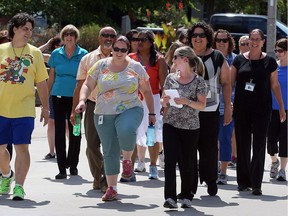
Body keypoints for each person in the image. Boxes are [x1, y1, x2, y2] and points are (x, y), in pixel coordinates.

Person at [75, 35, 156, 201]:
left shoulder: (136, 67)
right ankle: (112, 188)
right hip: (103, 111)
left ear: (128, 50)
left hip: (131, 108)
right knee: (109, 150)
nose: (119, 52)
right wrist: (82, 100)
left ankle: (127, 160)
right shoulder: (100, 65)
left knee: (126, 129)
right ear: (111, 49)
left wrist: (152, 113)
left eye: (123, 49)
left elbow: (147, 91)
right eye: (116, 49)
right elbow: (87, 84)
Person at [0, 13, 49, 200]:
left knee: (22, 148)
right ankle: (6, 175)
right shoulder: (1, 50)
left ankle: (19, 186)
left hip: (24, 110)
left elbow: (42, 83)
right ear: (15, 29)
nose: (29, 32)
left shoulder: (35, 53)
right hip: (1, 109)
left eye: (31, 29)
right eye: (25, 29)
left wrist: (45, 108)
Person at [231, 29, 286, 195]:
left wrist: (282, 108)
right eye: (251, 39)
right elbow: (229, 84)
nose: (253, 42)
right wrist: (228, 104)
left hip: (262, 109)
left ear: (263, 42)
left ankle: (256, 184)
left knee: (259, 145)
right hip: (241, 109)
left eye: (257, 39)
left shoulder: (269, 62)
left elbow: (275, 85)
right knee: (243, 144)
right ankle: (243, 182)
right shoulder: (239, 60)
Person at [188, 22, 232, 196]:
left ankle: (210, 180)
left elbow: (227, 83)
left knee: (209, 149)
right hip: (188, 111)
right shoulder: (184, 56)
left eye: (201, 35)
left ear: (208, 38)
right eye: (194, 35)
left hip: (210, 110)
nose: (197, 39)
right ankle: (189, 186)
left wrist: (228, 107)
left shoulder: (217, 57)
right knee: (189, 150)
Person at [71, 26, 117, 192]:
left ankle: (106, 179)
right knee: (92, 145)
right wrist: (74, 110)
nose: (108, 38)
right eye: (105, 35)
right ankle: (98, 176)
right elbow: (80, 85)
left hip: (115, 107)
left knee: (110, 146)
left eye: (112, 36)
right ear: (99, 38)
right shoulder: (88, 58)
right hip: (92, 105)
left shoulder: (121, 58)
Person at [161, 46, 207, 209]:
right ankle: (170, 197)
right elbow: (162, 100)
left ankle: (187, 195)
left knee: (187, 162)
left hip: (190, 127)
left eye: (175, 58)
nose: (172, 61)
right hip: (171, 124)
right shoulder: (170, 78)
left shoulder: (199, 81)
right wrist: (164, 101)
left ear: (185, 59)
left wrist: (186, 101)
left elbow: (202, 105)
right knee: (170, 161)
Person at [47, 24, 88, 179]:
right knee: (59, 131)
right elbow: (51, 77)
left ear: (75, 37)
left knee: (75, 131)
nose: (69, 37)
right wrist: (47, 96)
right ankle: (61, 168)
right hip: (58, 96)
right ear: (63, 38)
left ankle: (73, 164)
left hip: (77, 98)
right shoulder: (56, 54)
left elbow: (87, 78)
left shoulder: (83, 54)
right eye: (66, 35)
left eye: (72, 35)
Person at [129, 30, 168, 180]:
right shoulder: (130, 59)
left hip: (154, 100)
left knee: (152, 133)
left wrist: (165, 103)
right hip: (133, 99)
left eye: (143, 39)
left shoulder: (159, 60)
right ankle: (129, 168)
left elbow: (164, 84)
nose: (139, 42)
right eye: (137, 39)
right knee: (131, 133)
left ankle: (153, 166)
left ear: (151, 42)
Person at [212, 29, 237, 185]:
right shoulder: (210, 58)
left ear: (229, 43)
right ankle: (211, 168)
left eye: (224, 40)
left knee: (225, 139)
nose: (221, 43)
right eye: (218, 40)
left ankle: (223, 172)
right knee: (210, 140)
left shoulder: (236, 60)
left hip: (228, 105)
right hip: (208, 105)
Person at [39, 36, 63, 160]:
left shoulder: (74, 57)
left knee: (67, 124)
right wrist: (47, 44)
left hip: (67, 94)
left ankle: (69, 150)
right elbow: (36, 53)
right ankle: (52, 151)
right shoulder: (51, 57)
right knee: (51, 123)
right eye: (61, 45)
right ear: (55, 47)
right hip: (53, 93)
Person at [267, 38, 287, 181]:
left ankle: (282, 170)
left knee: (285, 140)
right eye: (276, 51)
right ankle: (274, 161)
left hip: (287, 110)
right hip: (272, 109)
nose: (278, 53)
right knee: (271, 141)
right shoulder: (274, 67)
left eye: (281, 51)